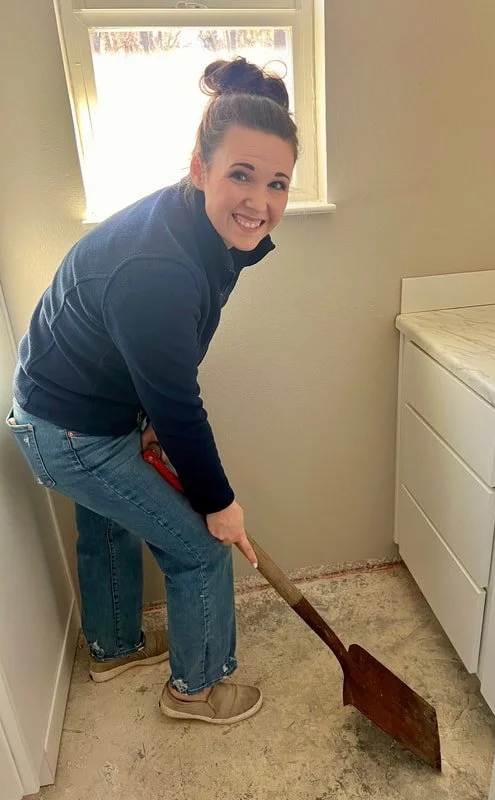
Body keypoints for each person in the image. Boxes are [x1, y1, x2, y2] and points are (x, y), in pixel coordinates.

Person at [6, 57, 298, 724]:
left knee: (107, 520)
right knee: (199, 551)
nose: (260, 202)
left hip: (65, 414)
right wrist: (218, 503)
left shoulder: (197, 226)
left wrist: (143, 421)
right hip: (71, 433)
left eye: (278, 182)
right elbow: (176, 399)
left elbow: (153, 365)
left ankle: (113, 647)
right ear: (199, 167)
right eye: (241, 175)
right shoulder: (157, 267)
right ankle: (195, 691)